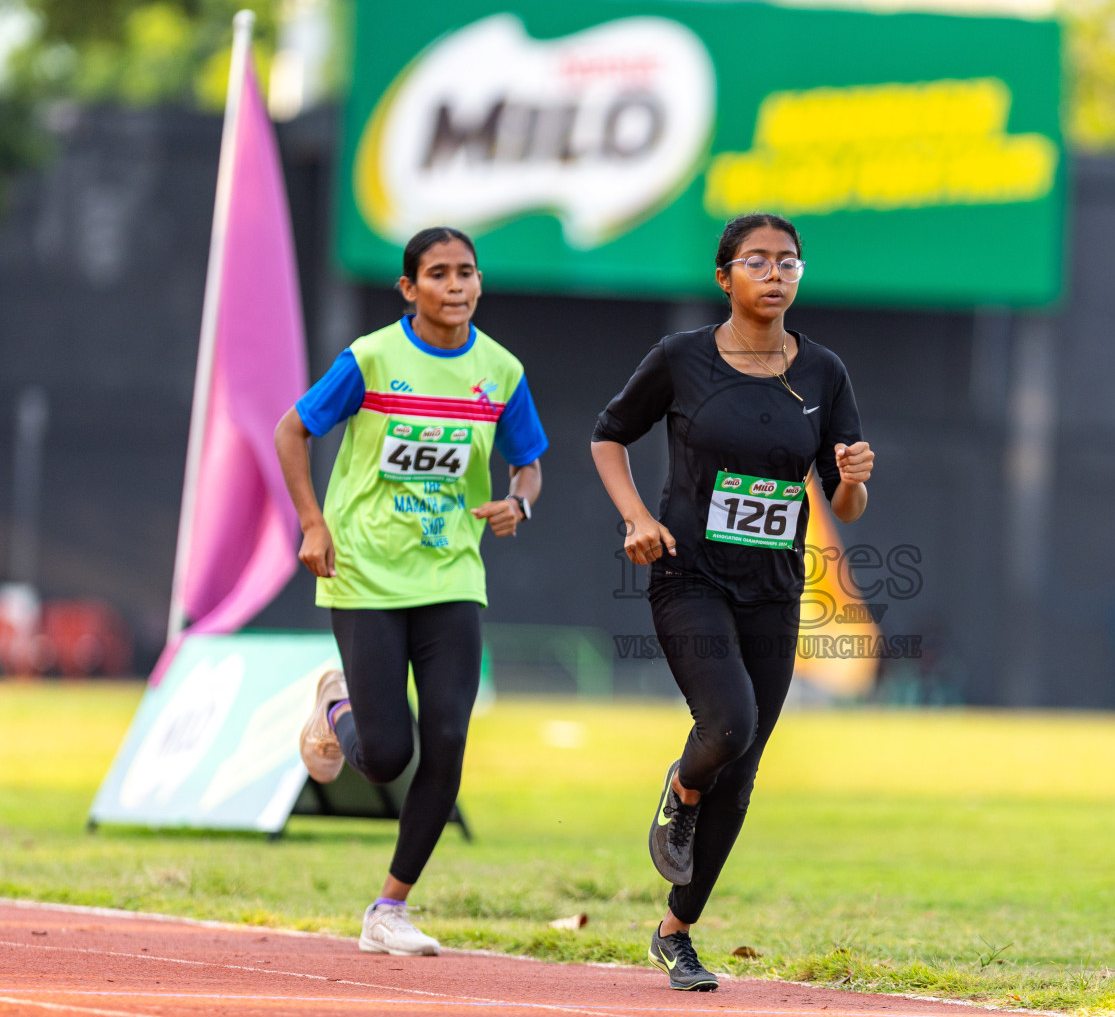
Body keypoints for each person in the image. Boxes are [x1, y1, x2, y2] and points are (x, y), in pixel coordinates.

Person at [591, 213, 874, 991]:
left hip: (775, 591)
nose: (776, 273)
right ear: (726, 277)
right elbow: (607, 434)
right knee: (727, 724)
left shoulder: (824, 373)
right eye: (758, 260)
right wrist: (637, 519)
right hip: (690, 575)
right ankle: (681, 789)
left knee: (742, 773)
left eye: (789, 262)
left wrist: (851, 476)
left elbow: (843, 508)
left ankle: (675, 932)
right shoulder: (682, 358)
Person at [274, 226, 547, 956]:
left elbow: (527, 464)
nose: (455, 286)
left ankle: (389, 908)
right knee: (388, 755)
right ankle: (337, 703)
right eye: (438, 274)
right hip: (364, 571)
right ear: (409, 289)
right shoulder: (371, 359)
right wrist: (312, 523)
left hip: (452, 573)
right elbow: (291, 432)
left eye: (466, 273)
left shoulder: (501, 370)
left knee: (449, 741)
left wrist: (519, 503)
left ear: (479, 284)